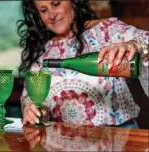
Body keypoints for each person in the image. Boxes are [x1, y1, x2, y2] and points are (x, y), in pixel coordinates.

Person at [17, 0, 149, 128]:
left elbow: (145, 42)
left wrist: (136, 45)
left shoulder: (106, 31)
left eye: (56, 3)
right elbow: (29, 99)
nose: (52, 15)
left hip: (118, 137)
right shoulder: (42, 51)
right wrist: (37, 112)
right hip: (63, 141)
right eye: (43, 10)